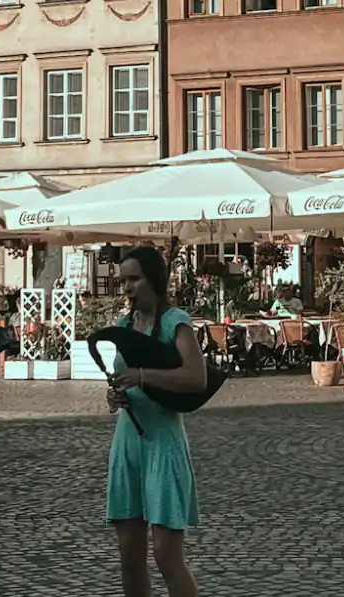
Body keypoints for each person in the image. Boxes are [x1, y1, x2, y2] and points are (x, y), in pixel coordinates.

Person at [106, 246, 205, 597]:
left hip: (163, 440)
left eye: (135, 278)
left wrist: (144, 376)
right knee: (129, 555)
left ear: (155, 279)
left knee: (166, 555)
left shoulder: (174, 322)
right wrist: (116, 395)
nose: (128, 287)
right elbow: (123, 379)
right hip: (127, 440)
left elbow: (196, 377)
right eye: (123, 281)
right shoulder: (123, 326)